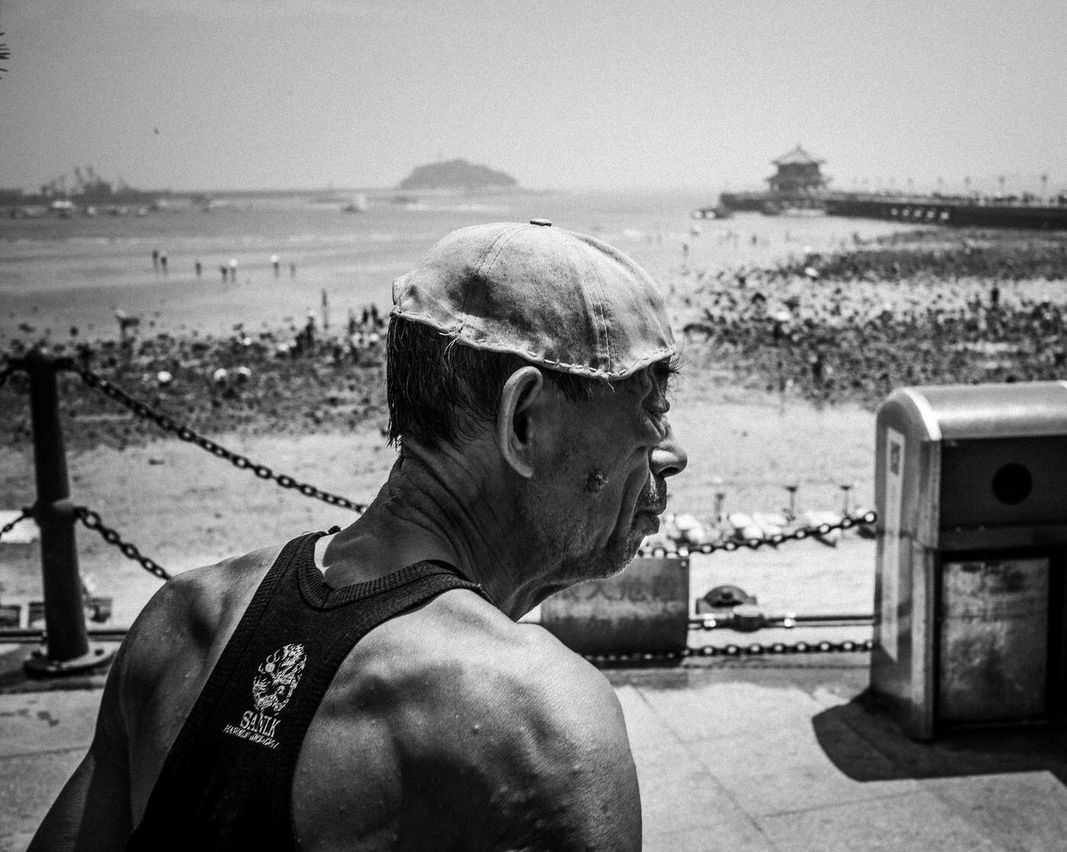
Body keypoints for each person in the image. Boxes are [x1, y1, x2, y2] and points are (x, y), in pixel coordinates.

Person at [32, 220, 687, 850]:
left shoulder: (185, 620)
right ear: (525, 422)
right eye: (650, 407)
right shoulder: (540, 720)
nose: (669, 448)